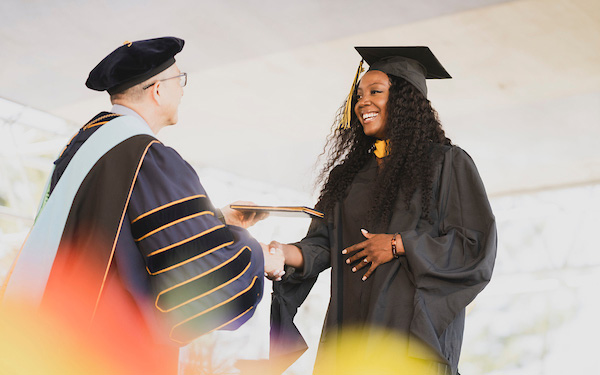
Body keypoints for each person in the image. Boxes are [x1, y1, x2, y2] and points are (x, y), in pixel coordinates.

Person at [0, 37, 276, 375]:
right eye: (180, 80)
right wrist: (255, 250)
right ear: (158, 90)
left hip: (58, 332)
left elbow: (124, 230)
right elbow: (195, 266)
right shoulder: (147, 156)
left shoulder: (85, 145)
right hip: (110, 349)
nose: (183, 91)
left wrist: (221, 218)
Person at [266, 47, 497, 375]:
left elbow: (473, 245)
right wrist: (275, 253)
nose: (363, 102)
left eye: (376, 91)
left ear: (405, 101)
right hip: (350, 336)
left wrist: (398, 244)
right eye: (359, 94)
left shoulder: (446, 163)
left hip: (408, 336)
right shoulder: (347, 176)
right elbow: (321, 246)